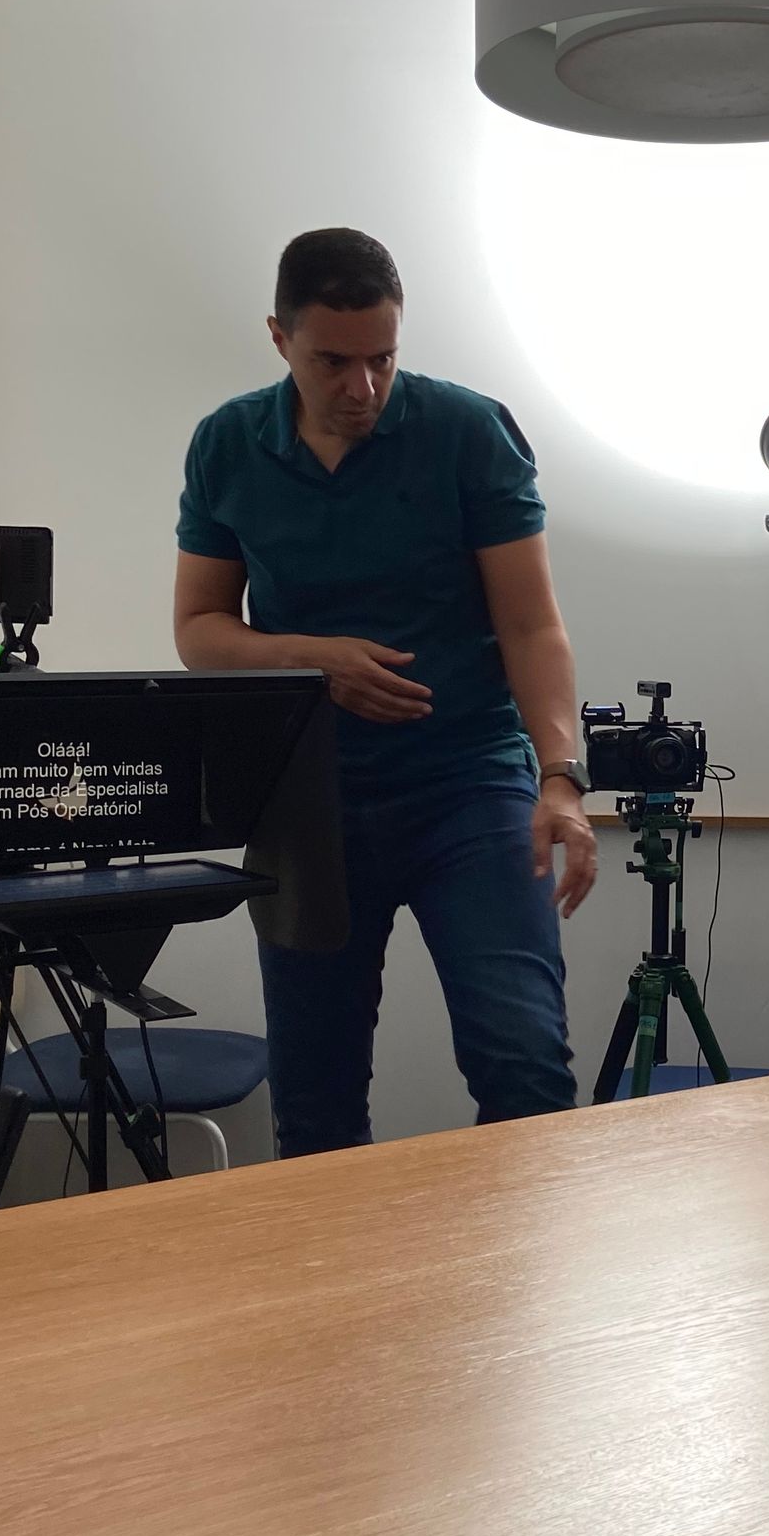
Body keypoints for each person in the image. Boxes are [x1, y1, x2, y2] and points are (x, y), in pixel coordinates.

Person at [173, 227, 597, 1152]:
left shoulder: (468, 431)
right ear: (279, 338)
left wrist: (560, 776)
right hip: (309, 799)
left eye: (383, 359)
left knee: (524, 1064)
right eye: (334, 361)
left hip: (471, 786)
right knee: (315, 1098)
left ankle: (526, 1290)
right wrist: (311, 657)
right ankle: (333, 1298)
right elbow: (201, 632)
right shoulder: (227, 445)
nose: (362, 387)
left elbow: (532, 626)